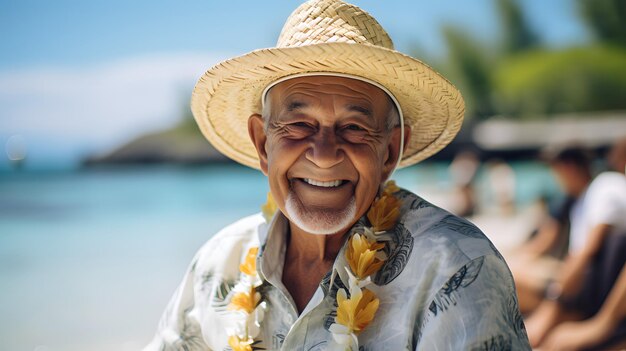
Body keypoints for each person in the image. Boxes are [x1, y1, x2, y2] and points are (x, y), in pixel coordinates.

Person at [144, 1, 530, 350]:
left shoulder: (454, 267)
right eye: (298, 124)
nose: (324, 155)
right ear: (263, 144)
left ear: (390, 152)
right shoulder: (218, 263)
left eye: (354, 128)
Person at [526, 138, 626, 350]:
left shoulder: (604, 187)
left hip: (601, 304)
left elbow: (587, 253)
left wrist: (552, 308)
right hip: (596, 296)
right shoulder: (583, 199)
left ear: (568, 167)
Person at [509, 146, 593, 314]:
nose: (556, 178)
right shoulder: (577, 199)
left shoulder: (577, 199)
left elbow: (545, 242)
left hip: (574, 276)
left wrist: (555, 303)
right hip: (571, 271)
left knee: (507, 278)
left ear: (568, 167)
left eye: (556, 171)